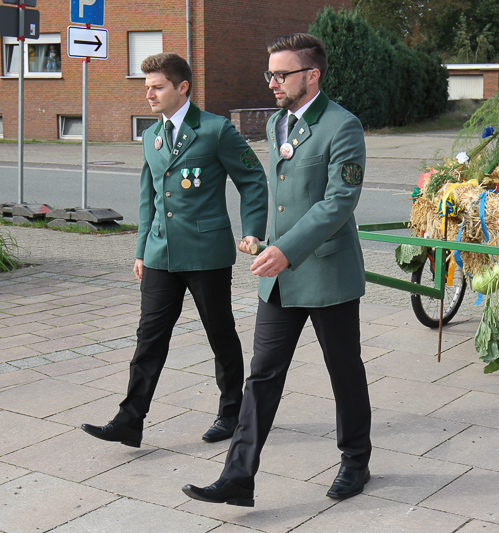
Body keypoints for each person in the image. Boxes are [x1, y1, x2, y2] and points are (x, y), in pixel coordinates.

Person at [182, 33, 371, 507]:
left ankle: (355, 460)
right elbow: (279, 194)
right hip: (280, 276)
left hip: (327, 272)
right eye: (270, 73)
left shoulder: (342, 125)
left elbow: (338, 203)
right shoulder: (276, 123)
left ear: (312, 75)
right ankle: (237, 477)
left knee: (343, 371)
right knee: (262, 376)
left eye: (282, 74)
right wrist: (260, 237)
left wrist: (287, 249)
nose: (272, 82)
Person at [82, 53, 268, 448]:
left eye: (157, 87)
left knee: (219, 333)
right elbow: (148, 196)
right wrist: (140, 251)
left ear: (182, 87)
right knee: (149, 337)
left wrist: (252, 231)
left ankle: (232, 412)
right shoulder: (151, 135)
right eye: (147, 87)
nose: (149, 94)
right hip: (160, 254)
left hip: (205, 253)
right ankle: (129, 419)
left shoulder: (215, 129)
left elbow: (253, 178)